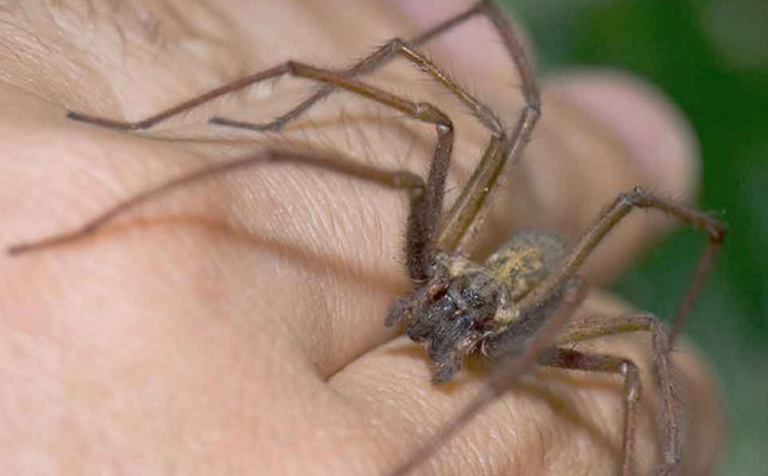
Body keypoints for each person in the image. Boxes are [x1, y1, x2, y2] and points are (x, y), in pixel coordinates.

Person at [1, 0, 723, 474]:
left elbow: (639, 353)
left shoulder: (514, 331)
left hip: (524, 297)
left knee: (629, 349)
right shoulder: (438, 266)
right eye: (440, 297)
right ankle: (253, 127)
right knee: (462, 131)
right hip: (479, 262)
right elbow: (434, 84)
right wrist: (266, 129)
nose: (442, 312)